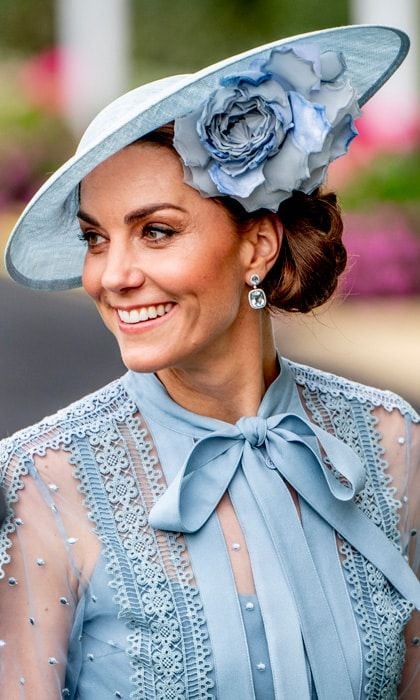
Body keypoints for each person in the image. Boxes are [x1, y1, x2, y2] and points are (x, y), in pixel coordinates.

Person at [0, 24, 418, 699]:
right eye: (96, 239)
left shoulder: (392, 442)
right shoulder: (46, 478)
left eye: (156, 231)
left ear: (257, 244)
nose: (113, 275)